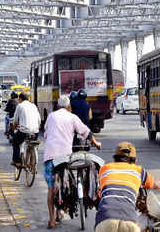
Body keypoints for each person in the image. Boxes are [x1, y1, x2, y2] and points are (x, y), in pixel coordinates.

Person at [43, 95, 101, 229]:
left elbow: (46, 134)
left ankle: (52, 219)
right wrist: (96, 143)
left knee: (51, 189)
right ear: (69, 107)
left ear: (58, 106)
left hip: (50, 156)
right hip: (65, 157)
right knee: (66, 180)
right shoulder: (72, 117)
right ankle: (60, 210)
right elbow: (86, 132)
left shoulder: (51, 116)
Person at [95, 141, 160, 232]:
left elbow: (100, 192)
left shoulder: (104, 169)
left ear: (115, 158)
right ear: (135, 160)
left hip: (105, 219)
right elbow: (156, 185)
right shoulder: (138, 171)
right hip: (129, 219)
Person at [11, 93, 41, 167]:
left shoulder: (20, 106)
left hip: (24, 131)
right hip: (35, 131)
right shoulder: (33, 106)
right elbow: (39, 120)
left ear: (20, 99)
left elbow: (15, 120)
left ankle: (17, 161)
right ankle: (32, 161)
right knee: (33, 143)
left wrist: (14, 127)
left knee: (15, 141)